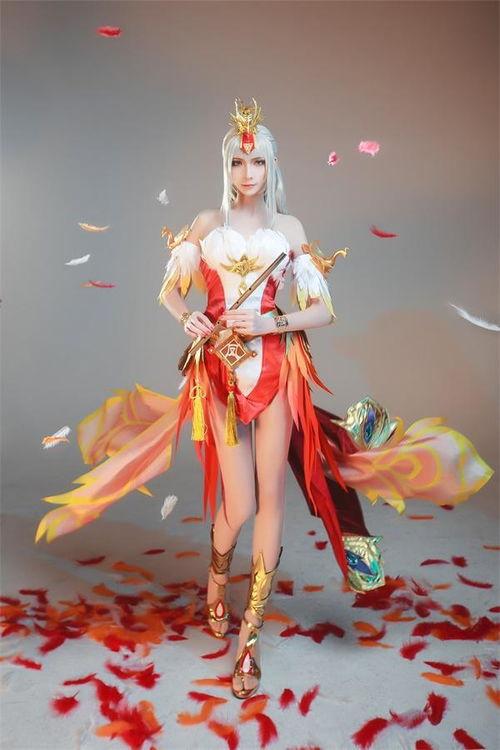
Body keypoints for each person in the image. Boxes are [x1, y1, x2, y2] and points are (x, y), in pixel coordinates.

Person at [35, 98, 493, 700]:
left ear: (272, 165)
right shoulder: (206, 223)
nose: (247, 172)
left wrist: (269, 324)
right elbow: (169, 291)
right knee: (242, 501)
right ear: (226, 166)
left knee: (273, 498)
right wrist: (188, 317)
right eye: (237, 161)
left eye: (256, 161)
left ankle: (250, 635)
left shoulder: (290, 230)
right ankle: (216, 577)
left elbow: (323, 310)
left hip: (276, 370)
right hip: (218, 374)